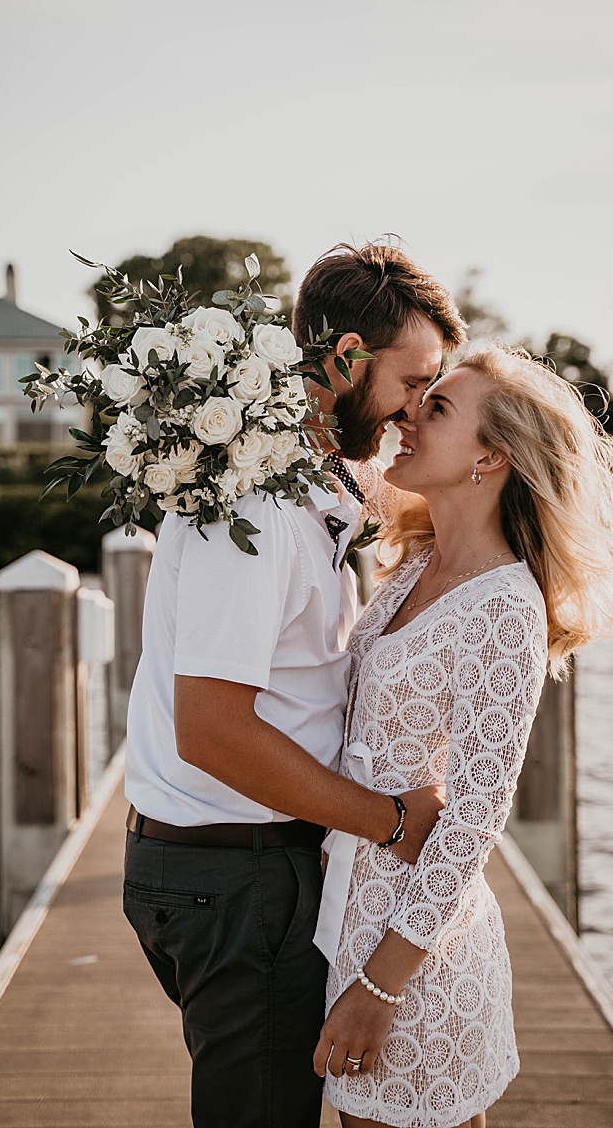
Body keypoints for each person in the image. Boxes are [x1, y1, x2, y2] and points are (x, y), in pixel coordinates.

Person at [120, 242, 468, 1126]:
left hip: (228, 866)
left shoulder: (298, 484)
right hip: (238, 878)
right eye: (415, 381)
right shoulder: (255, 508)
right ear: (347, 358)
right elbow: (211, 727)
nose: (418, 407)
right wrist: (390, 820)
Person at [313, 343, 613, 1127]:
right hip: (354, 917)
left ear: (492, 456)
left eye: (436, 407)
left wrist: (379, 988)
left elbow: (475, 818)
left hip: (414, 962)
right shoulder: (414, 566)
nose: (408, 414)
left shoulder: (505, 606)